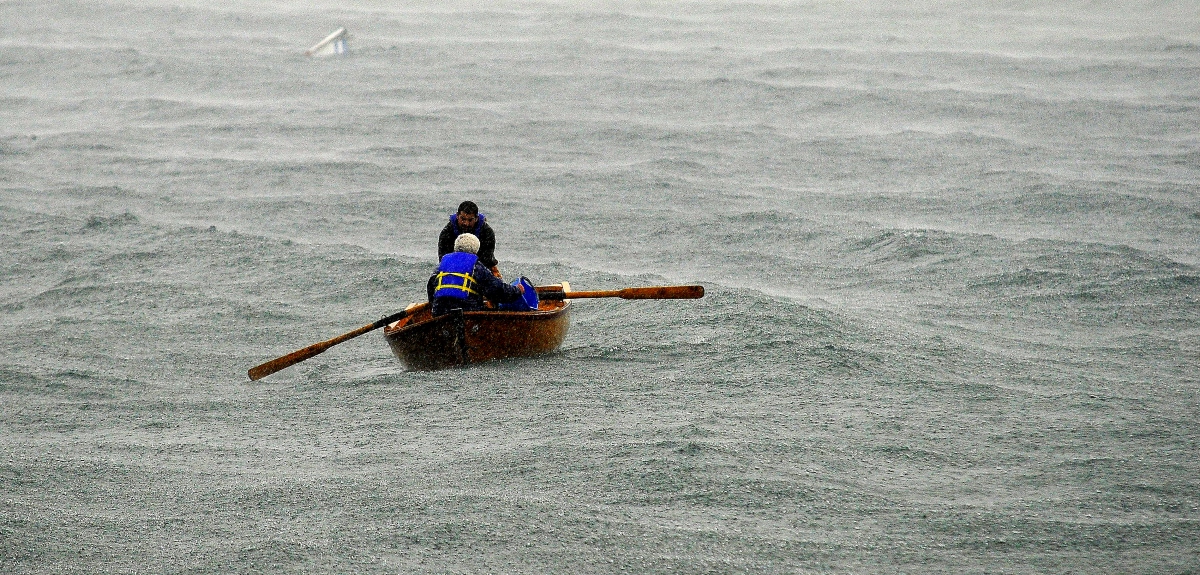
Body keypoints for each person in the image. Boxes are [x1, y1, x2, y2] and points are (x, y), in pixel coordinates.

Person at [427, 233, 524, 317]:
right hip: (468, 313)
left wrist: (434, 305)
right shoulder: (476, 266)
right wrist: (517, 290)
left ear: (455, 247)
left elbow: (431, 287)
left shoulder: (442, 264)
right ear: (476, 250)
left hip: (440, 311)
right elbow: (497, 291)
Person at [438, 201, 501, 277]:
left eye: (470, 220)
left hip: (481, 268)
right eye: (463, 219)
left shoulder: (487, 232)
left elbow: (486, 261)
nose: (466, 223)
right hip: (454, 268)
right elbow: (443, 260)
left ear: (476, 219)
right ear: (457, 216)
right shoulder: (447, 232)